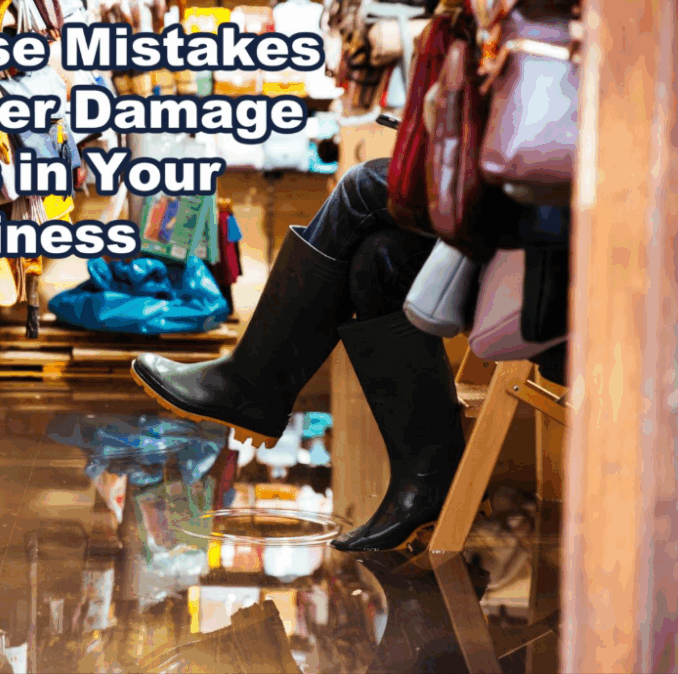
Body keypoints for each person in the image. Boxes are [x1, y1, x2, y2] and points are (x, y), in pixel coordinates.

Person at [130, 158, 466, 551]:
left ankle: (253, 386)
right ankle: (428, 480)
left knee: (362, 187)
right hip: (510, 184)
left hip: (540, 200)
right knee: (377, 260)